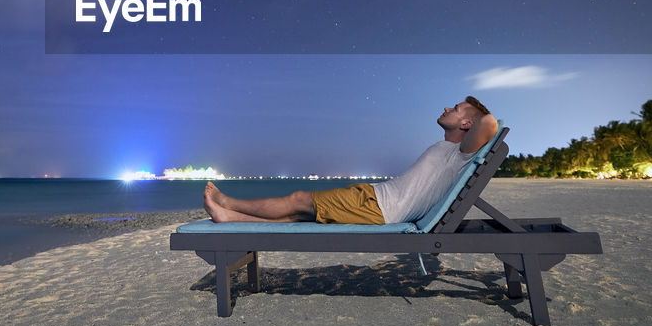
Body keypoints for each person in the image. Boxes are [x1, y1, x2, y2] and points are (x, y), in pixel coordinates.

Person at [203, 96, 497, 225]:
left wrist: (475, 111)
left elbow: (490, 123)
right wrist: (468, 112)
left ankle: (229, 203)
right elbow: (484, 123)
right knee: (298, 215)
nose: (447, 107)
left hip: (377, 206)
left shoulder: (461, 154)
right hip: (374, 200)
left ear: (467, 125)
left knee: (296, 199)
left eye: (456, 108)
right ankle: (229, 217)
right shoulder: (448, 151)